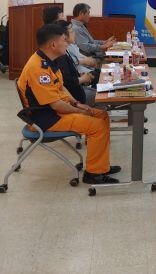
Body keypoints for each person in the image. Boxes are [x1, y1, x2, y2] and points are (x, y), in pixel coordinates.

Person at [17, 24, 120, 184]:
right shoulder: (37, 68)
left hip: (55, 111)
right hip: (47, 118)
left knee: (102, 115)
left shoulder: (49, 61)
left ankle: (100, 165)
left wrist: (77, 104)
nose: (67, 43)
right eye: (64, 40)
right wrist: (78, 111)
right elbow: (56, 105)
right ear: (53, 44)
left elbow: (61, 87)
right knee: (97, 126)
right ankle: (93, 174)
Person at [54, 20, 96, 104]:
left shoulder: (65, 51)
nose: (74, 33)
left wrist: (80, 76)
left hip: (78, 91)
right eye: (72, 31)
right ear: (64, 36)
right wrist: (82, 79)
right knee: (102, 96)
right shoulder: (60, 56)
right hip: (74, 97)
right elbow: (66, 82)